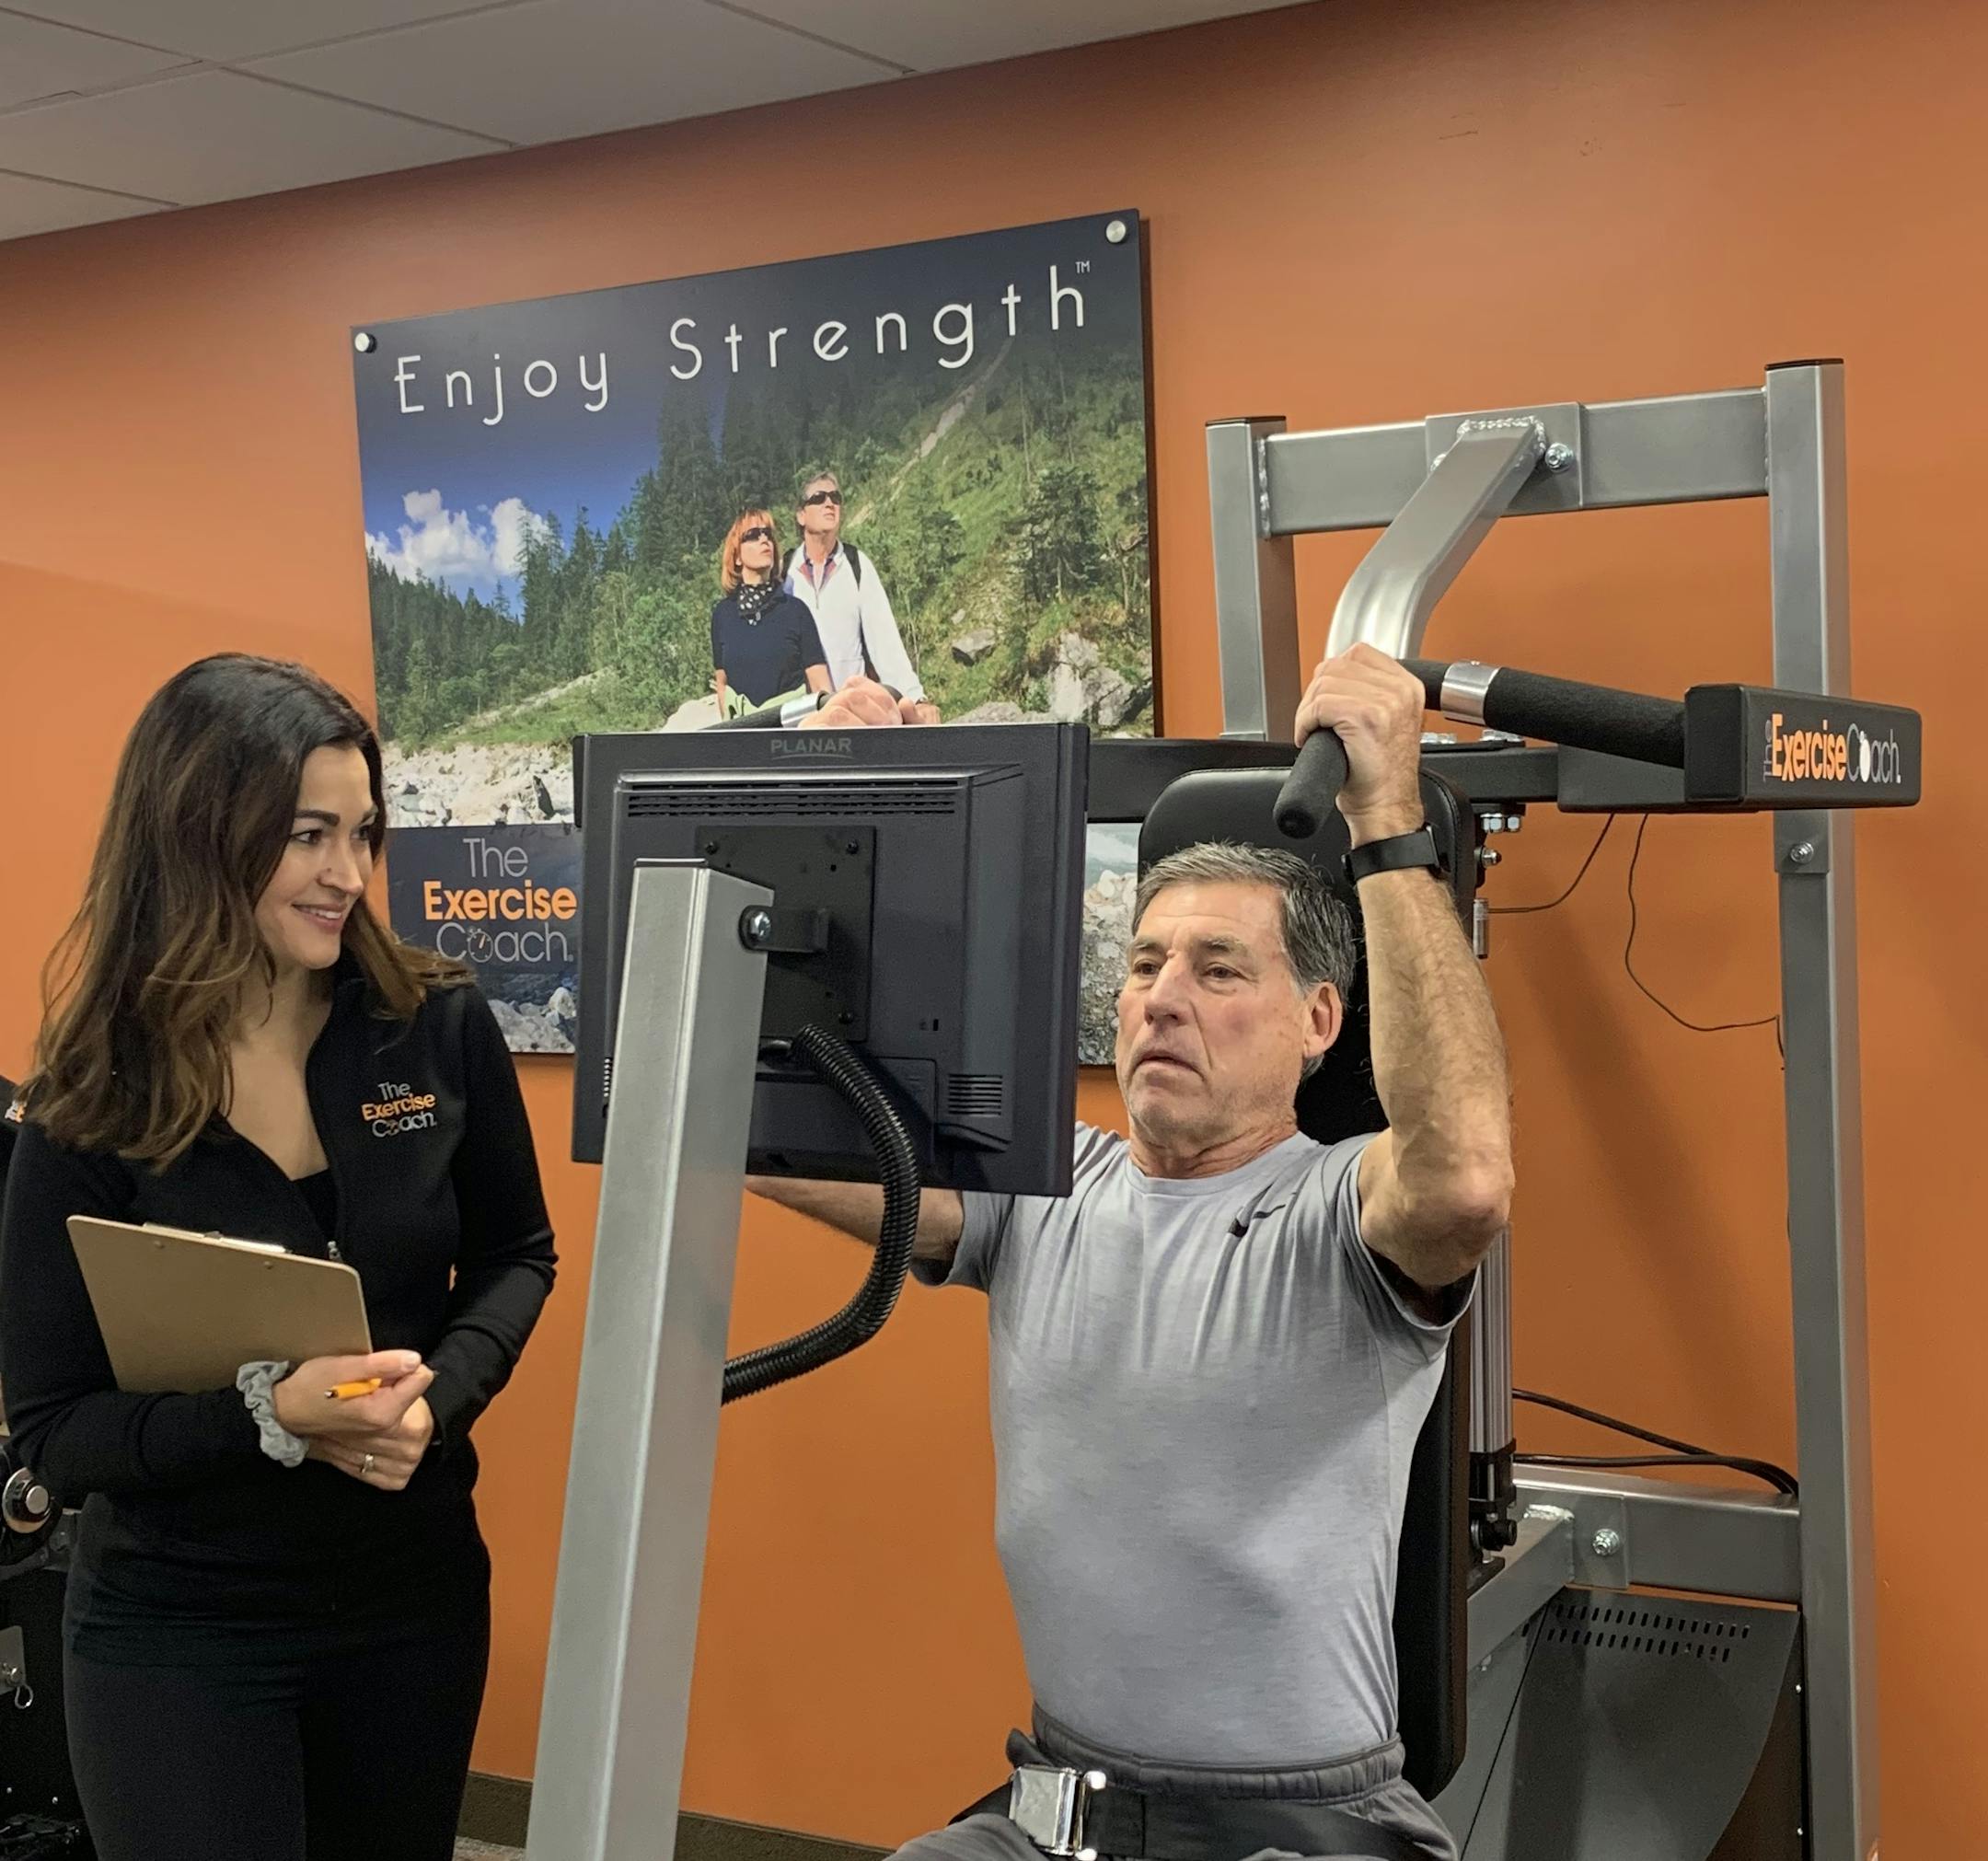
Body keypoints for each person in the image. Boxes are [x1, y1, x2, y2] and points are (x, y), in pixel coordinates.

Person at [749, 644, 1512, 1861]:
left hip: (1309, 1829)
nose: (1163, 996)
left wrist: (1387, 818)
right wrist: (833, 804)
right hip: (1061, 1818)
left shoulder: (1337, 1210)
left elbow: (1465, 1179)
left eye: (1219, 971)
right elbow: (751, 1129)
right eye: (1147, 964)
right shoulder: (1047, 1185)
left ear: (1319, 1019)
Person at [0, 654, 557, 1861]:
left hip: (410, 1603)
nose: (348, 873)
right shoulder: (94, 1099)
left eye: (362, 832)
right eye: (309, 835)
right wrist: (269, 1415)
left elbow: (518, 1254)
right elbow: (56, 1430)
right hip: (179, 1628)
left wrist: (435, 1400)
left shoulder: (435, 1025)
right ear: (199, 831)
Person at [785, 469, 942, 723]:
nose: (830, 503)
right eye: (819, 498)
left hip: (855, 713)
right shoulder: (785, 573)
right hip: (801, 718)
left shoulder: (856, 565)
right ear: (801, 515)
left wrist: (916, 698)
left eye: (836, 498)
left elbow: (884, 639)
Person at [711, 508, 832, 717]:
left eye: (767, 534)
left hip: (791, 729)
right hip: (745, 731)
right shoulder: (723, 616)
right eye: (753, 535)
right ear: (737, 557)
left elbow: (821, 686)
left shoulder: (796, 611)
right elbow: (722, 685)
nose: (764, 540)